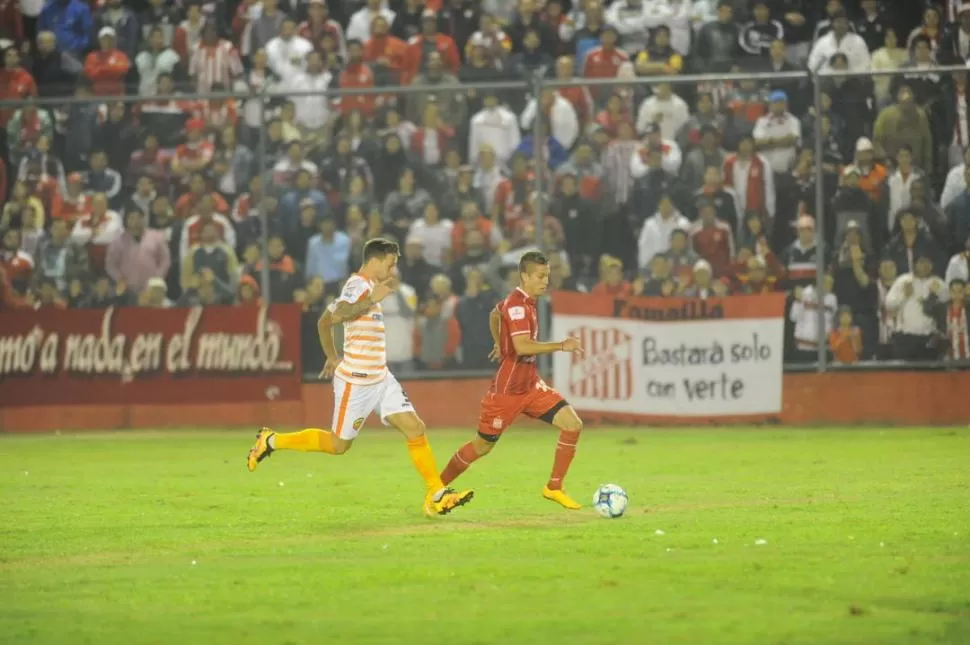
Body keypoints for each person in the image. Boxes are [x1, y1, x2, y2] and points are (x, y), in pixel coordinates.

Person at [247, 238, 473, 518]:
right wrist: (372, 299)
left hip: (381, 377)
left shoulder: (365, 288)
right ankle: (271, 441)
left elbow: (324, 321)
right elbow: (341, 314)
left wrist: (331, 355)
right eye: (390, 264)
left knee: (415, 428)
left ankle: (436, 495)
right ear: (375, 260)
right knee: (338, 445)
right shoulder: (357, 286)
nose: (392, 271)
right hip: (357, 382)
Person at [438, 251, 586, 510]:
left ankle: (554, 487)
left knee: (572, 424)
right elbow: (522, 346)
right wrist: (562, 345)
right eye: (540, 276)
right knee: (482, 446)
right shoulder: (517, 305)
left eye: (547, 276)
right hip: (507, 392)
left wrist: (498, 342)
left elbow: (495, 315)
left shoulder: (523, 302)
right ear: (525, 276)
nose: (545, 281)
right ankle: (436, 488)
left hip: (530, 385)